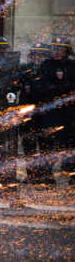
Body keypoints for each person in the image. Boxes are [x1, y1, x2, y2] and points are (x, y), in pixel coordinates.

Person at [31, 36, 75, 184]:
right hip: (52, 113)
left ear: (66, 51)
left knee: (71, 145)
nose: (56, 52)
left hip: (70, 113)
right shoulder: (46, 65)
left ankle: (72, 177)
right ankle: (46, 177)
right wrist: (62, 89)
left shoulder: (72, 65)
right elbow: (40, 87)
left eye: (59, 49)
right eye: (54, 48)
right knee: (52, 146)